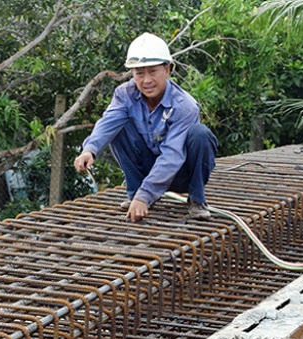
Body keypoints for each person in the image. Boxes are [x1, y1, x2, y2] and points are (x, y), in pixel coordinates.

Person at [74, 32, 218, 223]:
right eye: (139, 73)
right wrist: (89, 150)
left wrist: (146, 195)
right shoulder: (124, 94)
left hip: (180, 173)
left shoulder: (185, 106)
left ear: (167, 70)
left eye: (153, 71)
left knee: (201, 134)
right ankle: (134, 192)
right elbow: (107, 123)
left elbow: (172, 155)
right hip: (146, 168)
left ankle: (197, 199)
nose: (146, 80)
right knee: (117, 128)